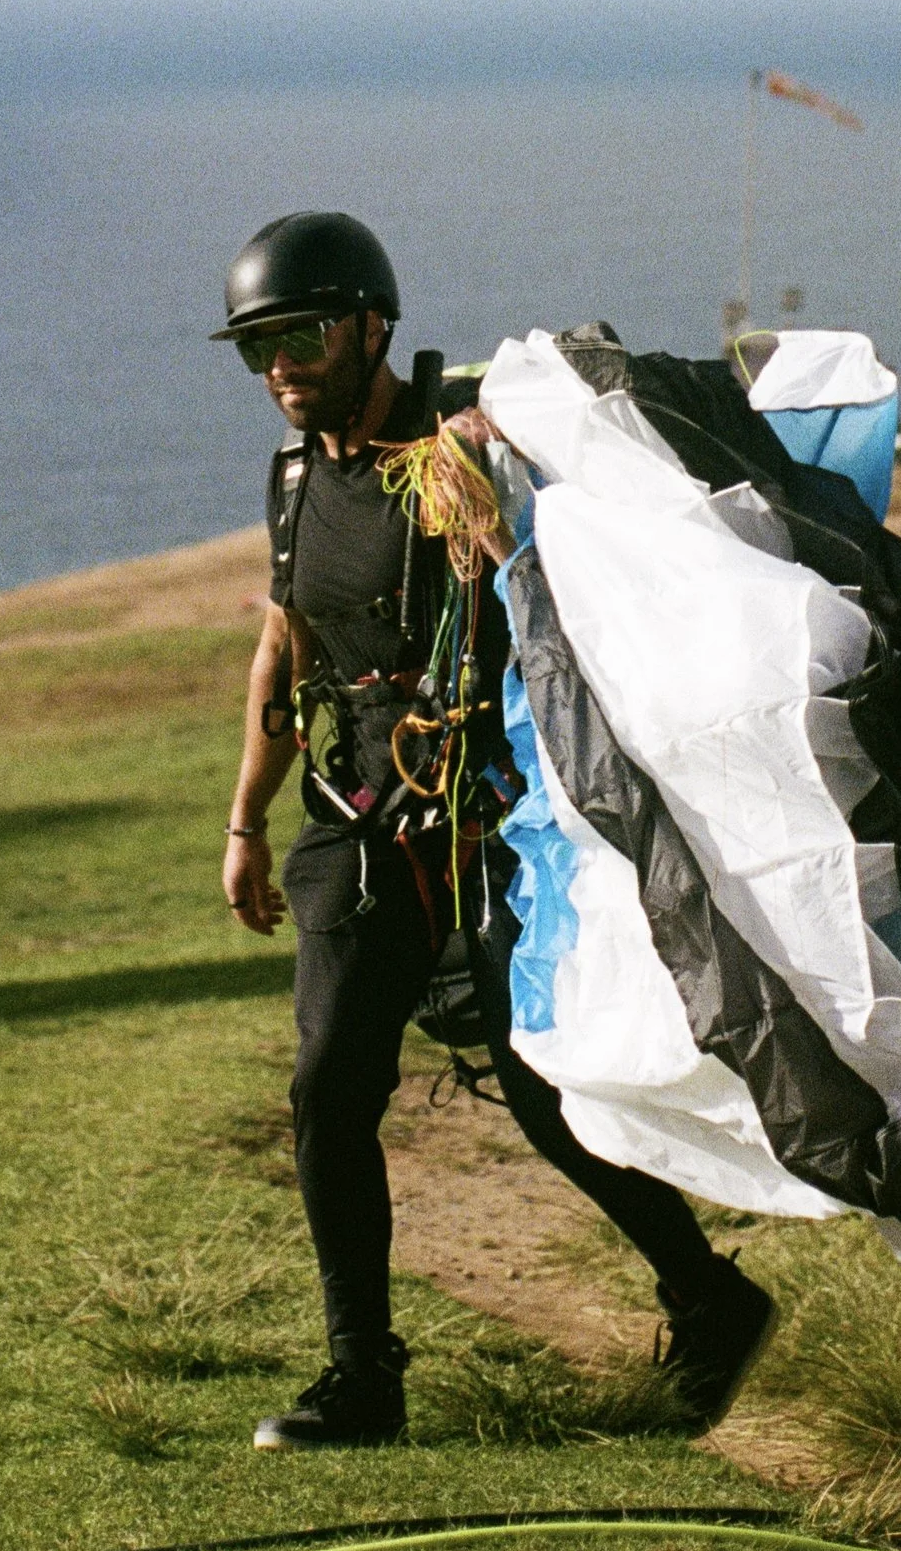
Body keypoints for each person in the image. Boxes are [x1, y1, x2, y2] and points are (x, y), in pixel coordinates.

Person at [216, 210, 776, 1452]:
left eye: (302, 337)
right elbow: (284, 644)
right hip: (357, 816)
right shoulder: (296, 479)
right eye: (259, 348)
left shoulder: (466, 432)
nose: (281, 367)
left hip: (487, 817)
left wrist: (498, 432)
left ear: (372, 327)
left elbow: (582, 416)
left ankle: (709, 1296)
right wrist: (244, 816)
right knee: (327, 1087)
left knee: (540, 1087)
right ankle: (362, 1377)